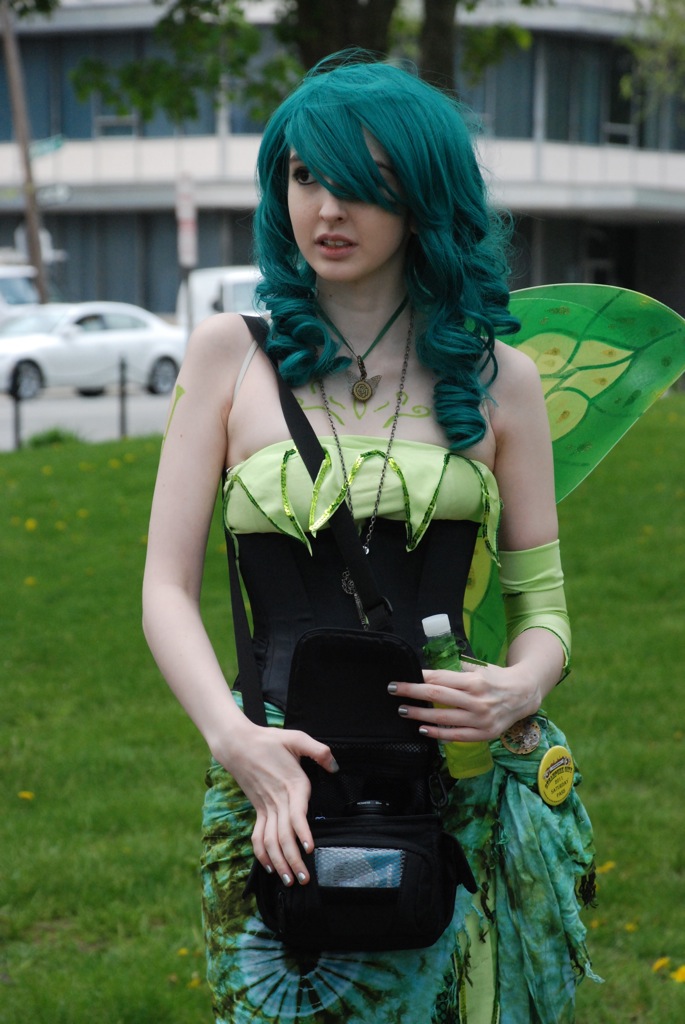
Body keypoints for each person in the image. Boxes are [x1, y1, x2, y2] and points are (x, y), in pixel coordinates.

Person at [142, 53, 597, 1024]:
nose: (327, 209)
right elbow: (163, 588)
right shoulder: (228, 356)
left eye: (364, 182)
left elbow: (543, 607)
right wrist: (233, 739)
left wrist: (520, 686)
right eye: (305, 176)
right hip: (275, 771)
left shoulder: (501, 379)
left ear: (423, 195)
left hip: (453, 776)